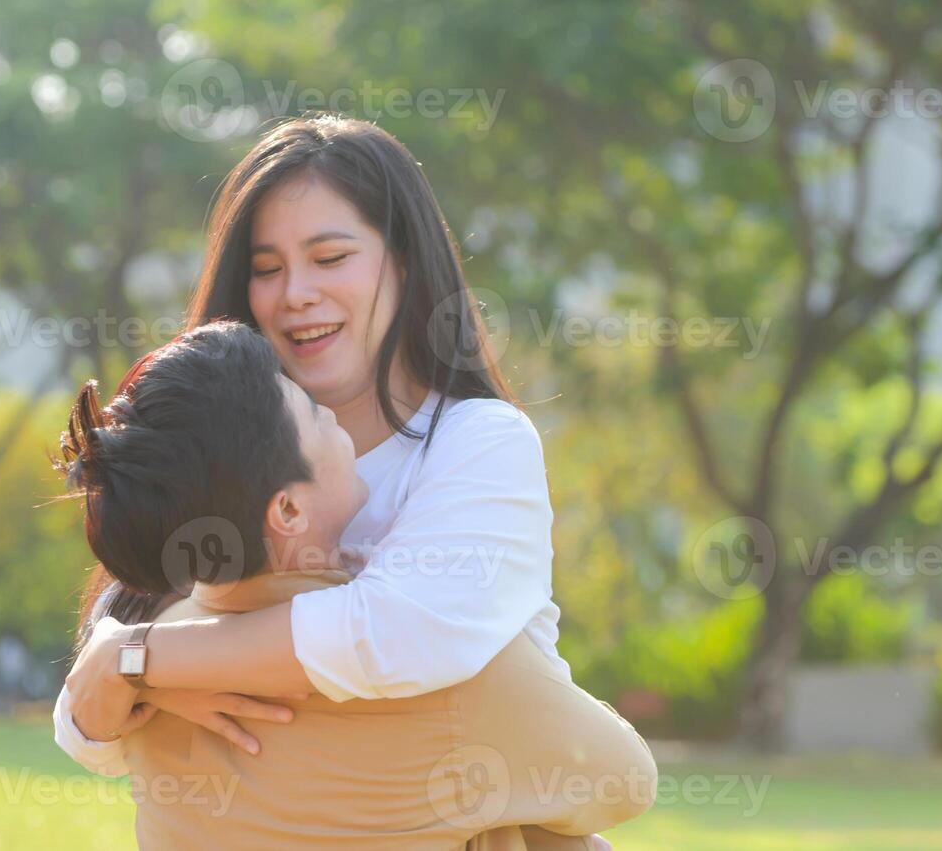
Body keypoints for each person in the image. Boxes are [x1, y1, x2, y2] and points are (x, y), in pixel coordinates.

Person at [54, 115, 648, 847]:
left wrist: (141, 657)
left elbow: (401, 634)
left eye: (329, 256)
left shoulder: (473, 442)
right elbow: (95, 733)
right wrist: (121, 666)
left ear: (402, 261)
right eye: (266, 269)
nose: (294, 293)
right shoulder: (211, 452)